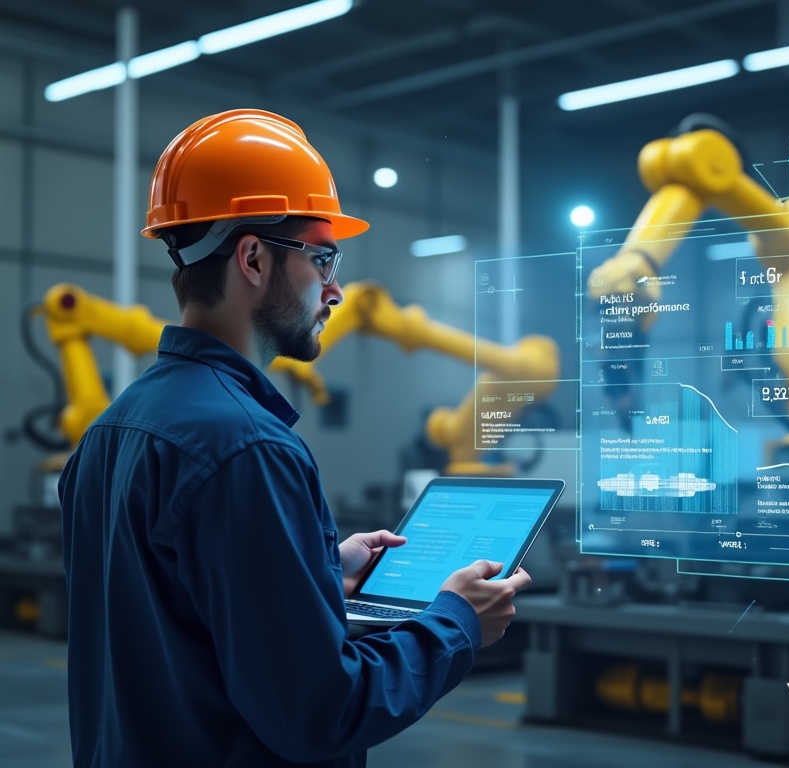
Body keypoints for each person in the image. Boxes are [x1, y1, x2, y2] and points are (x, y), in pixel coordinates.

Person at [58, 109, 532, 768]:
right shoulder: (248, 448)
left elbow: (175, 624)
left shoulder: (113, 430)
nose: (335, 289)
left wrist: (316, 573)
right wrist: (456, 622)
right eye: (322, 257)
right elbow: (321, 710)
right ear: (252, 257)